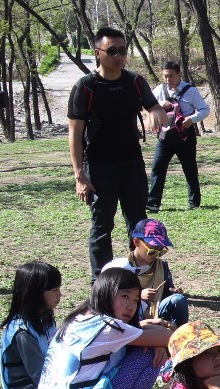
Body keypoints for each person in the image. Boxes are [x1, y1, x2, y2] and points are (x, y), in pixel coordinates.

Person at [32, 268, 172, 389]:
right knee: (146, 355)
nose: (131, 306)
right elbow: (169, 337)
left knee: (140, 349)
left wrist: (147, 330)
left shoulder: (80, 319)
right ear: (106, 292)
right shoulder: (108, 327)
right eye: (125, 296)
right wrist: (159, 340)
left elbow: (138, 332)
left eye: (136, 300)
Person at [68, 27, 169, 279]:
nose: (118, 56)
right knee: (102, 226)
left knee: (138, 223)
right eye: (112, 51)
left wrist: (156, 111)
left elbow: (155, 107)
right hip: (100, 166)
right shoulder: (86, 87)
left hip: (132, 163)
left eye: (122, 51)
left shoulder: (135, 81)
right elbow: (75, 134)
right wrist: (80, 175)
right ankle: (100, 282)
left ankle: (138, 276)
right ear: (97, 53)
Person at [0, 262, 63, 389]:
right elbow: (38, 374)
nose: (60, 295)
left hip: (47, 380)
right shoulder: (22, 332)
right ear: (35, 293)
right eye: (54, 290)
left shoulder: (45, 318)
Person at [146, 60, 211, 212]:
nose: (167, 80)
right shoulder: (159, 90)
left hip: (185, 135)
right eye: (164, 76)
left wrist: (192, 119)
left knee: (189, 167)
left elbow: (204, 110)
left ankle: (194, 202)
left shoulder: (191, 91)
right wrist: (159, 104)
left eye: (170, 76)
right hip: (165, 134)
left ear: (179, 75)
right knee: (158, 167)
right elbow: (147, 106)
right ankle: (153, 202)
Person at [101, 218, 189, 327]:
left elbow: (165, 293)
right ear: (136, 242)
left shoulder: (162, 266)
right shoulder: (119, 268)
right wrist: (137, 297)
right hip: (126, 316)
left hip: (154, 313)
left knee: (178, 300)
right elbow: (106, 299)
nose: (157, 255)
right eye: (152, 250)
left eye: (161, 251)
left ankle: (179, 339)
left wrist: (173, 292)